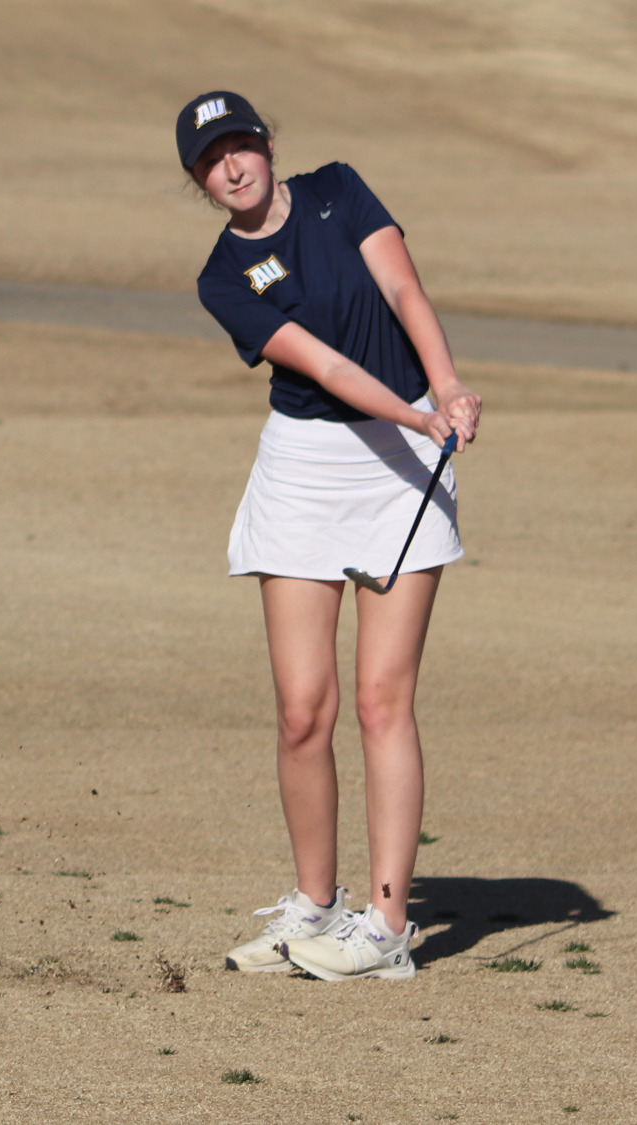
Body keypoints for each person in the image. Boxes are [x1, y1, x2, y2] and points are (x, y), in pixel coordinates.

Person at [179, 91, 481, 980]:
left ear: (267, 145)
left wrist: (447, 387)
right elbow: (325, 365)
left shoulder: (339, 191)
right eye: (211, 159)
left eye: (240, 144)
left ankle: (387, 931)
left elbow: (401, 287)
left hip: (400, 467)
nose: (231, 165)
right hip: (307, 469)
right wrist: (415, 415)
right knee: (302, 708)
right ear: (200, 181)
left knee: (383, 699)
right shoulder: (221, 279)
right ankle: (316, 906)